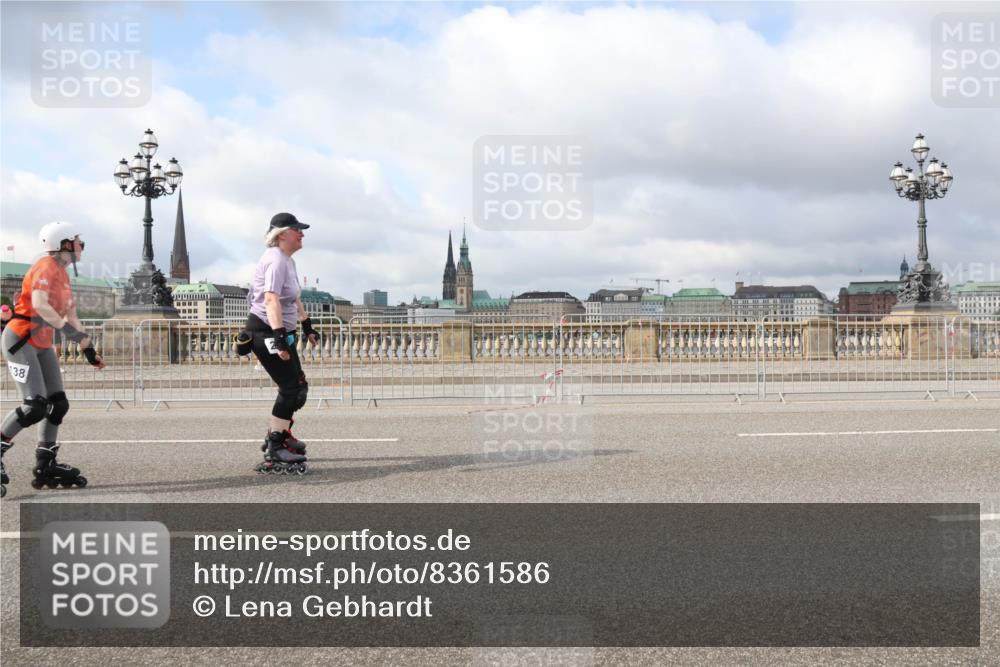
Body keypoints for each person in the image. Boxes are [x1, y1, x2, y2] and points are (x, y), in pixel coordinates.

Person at [1, 222, 104, 498]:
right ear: (64, 244)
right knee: (35, 406)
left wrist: (88, 349)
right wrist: (70, 332)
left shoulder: (63, 275)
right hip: (21, 339)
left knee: (57, 404)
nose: (82, 245)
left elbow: (71, 314)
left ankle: (45, 464)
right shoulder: (45, 266)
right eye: (78, 241)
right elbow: (40, 304)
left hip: (42, 342)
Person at [245, 212, 319, 475]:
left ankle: (280, 434)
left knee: (298, 387)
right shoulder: (275, 260)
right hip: (265, 332)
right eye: (298, 229)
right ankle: (276, 446)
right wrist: (278, 337)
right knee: (291, 389)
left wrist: (307, 324)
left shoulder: (287, 261)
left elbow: (293, 298)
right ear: (282, 234)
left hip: (278, 331)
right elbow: (271, 300)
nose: (302, 234)